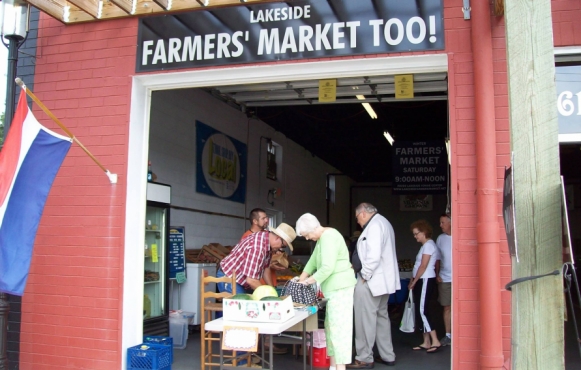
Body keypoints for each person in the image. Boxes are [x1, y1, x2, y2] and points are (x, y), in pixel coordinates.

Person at [295, 213, 357, 370]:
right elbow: (312, 262)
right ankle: (333, 366)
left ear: (313, 228)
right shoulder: (322, 238)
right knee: (331, 328)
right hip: (333, 289)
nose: (308, 238)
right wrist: (301, 279)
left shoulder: (329, 237)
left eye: (307, 234)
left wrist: (307, 282)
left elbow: (327, 268)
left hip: (340, 287)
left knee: (339, 329)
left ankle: (340, 367)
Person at [347, 203, 400, 369]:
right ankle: (387, 355)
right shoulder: (383, 222)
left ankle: (364, 357)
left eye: (357, 218)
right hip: (382, 283)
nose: (358, 222)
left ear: (362, 213)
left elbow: (373, 256)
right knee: (381, 318)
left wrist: (365, 275)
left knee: (364, 320)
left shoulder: (375, 226)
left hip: (371, 281)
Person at [217, 222, 295, 293]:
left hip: (242, 280)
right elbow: (251, 280)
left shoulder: (267, 242)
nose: (281, 249)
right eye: (283, 245)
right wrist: (269, 295)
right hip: (229, 277)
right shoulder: (258, 247)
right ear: (277, 238)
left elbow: (265, 268)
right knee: (240, 307)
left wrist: (272, 289)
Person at [409, 220, 442, 354]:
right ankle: (426, 341)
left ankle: (435, 340)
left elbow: (423, 266)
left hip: (425, 280)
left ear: (423, 233)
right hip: (422, 280)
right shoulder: (425, 246)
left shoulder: (428, 245)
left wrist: (414, 281)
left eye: (417, 234)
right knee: (421, 309)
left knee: (422, 310)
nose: (415, 236)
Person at [436, 214, 452, 346]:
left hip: (459, 279)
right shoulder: (440, 239)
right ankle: (448, 335)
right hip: (445, 278)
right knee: (447, 307)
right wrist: (437, 274)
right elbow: (437, 258)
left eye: (443, 222)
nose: (440, 225)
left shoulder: (460, 236)